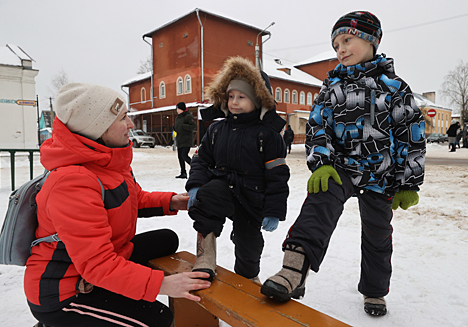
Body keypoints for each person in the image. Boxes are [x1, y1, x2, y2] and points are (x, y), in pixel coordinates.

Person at [260, 11, 426, 317]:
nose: (340, 49)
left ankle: (375, 291)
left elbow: (411, 135)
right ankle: (293, 270)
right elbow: (317, 125)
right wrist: (321, 162)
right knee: (319, 203)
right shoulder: (333, 86)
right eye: (336, 44)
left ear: (371, 40)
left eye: (347, 40)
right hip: (341, 166)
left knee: (377, 234)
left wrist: (408, 181)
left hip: (382, 173)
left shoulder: (395, 87)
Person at [24, 83, 211, 327]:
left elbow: (133, 198)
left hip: (98, 262)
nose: (131, 125)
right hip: (65, 290)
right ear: (98, 128)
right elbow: (97, 264)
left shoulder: (106, 160)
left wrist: (172, 201)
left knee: (167, 239)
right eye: (123, 118)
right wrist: (161, 285)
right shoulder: (72, 183)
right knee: (156, 319)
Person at [185, 57, 290, 283]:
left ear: (258, 100)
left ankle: (248, 276)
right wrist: (195, 186)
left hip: (252, 196)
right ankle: (205, 258)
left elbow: (277, 175)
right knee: (207, 200)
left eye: (242, 97)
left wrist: (273, 209)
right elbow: (201, 159)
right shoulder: (216, 129)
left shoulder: (267, 134)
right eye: (231, 96)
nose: (234, 102)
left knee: (249, 243)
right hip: (222, 187)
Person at [174, 102, 196, 179]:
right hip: (180, 139)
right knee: (180, 157)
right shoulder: (178, 117)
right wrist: (175, 129)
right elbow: (177, 126)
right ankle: (183, 173)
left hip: (186, 140)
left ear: (182, 109)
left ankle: (196, 168)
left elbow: (193, 126)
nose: (177, 110)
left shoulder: (188, 116)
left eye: (178, 108)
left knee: (184, 156)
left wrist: (183, 126)